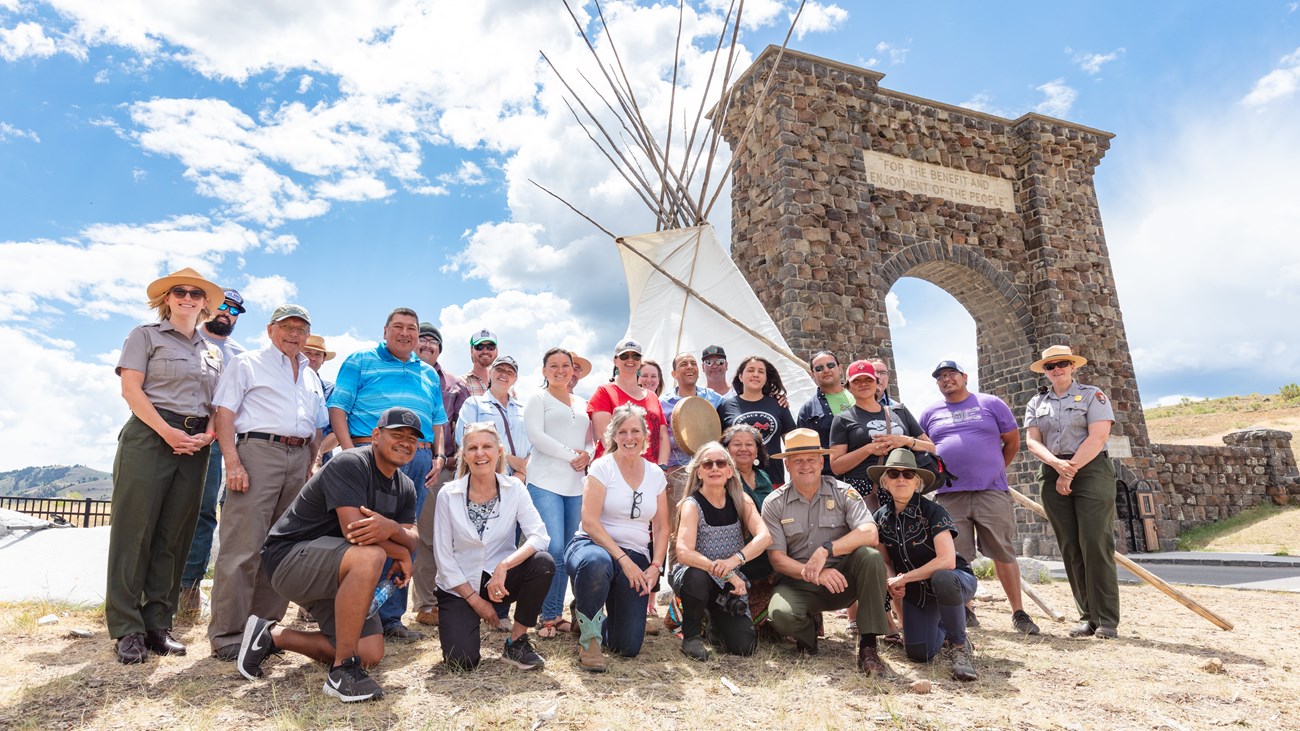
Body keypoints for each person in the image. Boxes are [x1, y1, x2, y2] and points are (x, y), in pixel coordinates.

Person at [236, 407, 421, 702]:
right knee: (370, 554)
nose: (405, 442)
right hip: (289, 560)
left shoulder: (406, 487)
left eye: (413, 438)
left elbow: (413, 538)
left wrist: (392, 532)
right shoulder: (351, 463)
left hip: (339, 572)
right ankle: (342, 672)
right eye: (397, 434)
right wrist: (400, 549)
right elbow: (354, 532)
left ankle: (271, 636)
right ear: (375, 435)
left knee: (371, 652)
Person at [107, 267, 224, 664]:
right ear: (167, 298)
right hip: (149, 435)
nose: (188, 298)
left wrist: (207, 436)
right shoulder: (145, 336)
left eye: (196, 293)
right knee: (134, 531)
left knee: (175, 535)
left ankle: (158, 623)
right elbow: (130, 389)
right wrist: (166, 432)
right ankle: (127, 628)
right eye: (180, 291)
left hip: (195, 444)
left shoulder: (213, 352)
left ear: (205, 302)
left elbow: (217, 405)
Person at [208, 304, 328, 661]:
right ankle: (228, 635)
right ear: (270, 329)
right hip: (257, 453)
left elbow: (317, 424)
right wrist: (233, 462)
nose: (295, 334)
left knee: (281, 550)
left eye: (301, 329)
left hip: (299, 458)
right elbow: (224, 412)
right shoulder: (247, 363)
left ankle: (263, 632)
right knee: (242, 546)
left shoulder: (310, 375)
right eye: (287, 326)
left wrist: (313, 460)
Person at [328, 307, 448, 641]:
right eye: (398, 327)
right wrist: (350, 451)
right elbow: (338, 408)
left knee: (403, 535)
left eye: (412, 328)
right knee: (363, 533)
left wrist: (438, 456)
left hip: (419, 460)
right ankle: (353, 613)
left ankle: (391, 619)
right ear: (385, 330)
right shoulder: (361, 360)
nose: (406, 333)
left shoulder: (427, 372)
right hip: (370, 455)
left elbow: (438, 419)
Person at [920, 360, 1040, 635]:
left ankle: (1018, 612)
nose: (946, 379)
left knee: (1003, 551)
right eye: (940, 377)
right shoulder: (930, 413)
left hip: (991, 491)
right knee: (956, 555)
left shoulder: (991, 404)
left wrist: (994, 469)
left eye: (951, 374)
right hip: (950, 495)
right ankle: (967, 608)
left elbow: (1012, 442)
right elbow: (925, 448)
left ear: (964, 377)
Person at [761, 428, 890, 675]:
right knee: (780, 615)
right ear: (787, 464)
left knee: (871, 557)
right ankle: (808, 633)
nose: (805, 465)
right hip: (799, 581)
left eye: (811, 459)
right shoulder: (774, 502)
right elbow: (777, 559)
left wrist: (826, 550)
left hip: (842, 580)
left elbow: (870, 533)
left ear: (822, 461)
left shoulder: (843, 492)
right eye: (797, 460)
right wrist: (815, 573)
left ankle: (868, 645)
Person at [433, 423, 553, 670]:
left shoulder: (515, 488)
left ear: (499, 451)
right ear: (464, 455)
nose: (480, 454)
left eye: (487, 446)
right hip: (460, 586)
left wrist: (505, 565)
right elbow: (444, 558)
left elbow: (539, 536)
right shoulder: (448, 494)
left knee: (543, 563)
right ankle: (465, 621)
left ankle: (517, 642)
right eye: (473, 448)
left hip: (498, 583)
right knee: (461, 662)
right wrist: (477, 602)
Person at [1023, 345, 1119, 639]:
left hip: (1089, 469)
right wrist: (1056, 465)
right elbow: (1032, 441)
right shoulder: (1036, 403)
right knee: (1070, 544)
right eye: (1051, 366)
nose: (1057, 369)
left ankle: (1106, 619)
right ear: (1045, 371)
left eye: (1062, 363)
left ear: (1072, 366)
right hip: (1053, 470)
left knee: (1094, 541)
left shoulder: (1093, 395)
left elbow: (1099, 436)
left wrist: (1070, 469)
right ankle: (1088, 616)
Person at [565, 404, 669, 671]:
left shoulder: (656, 474)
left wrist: (655, 566)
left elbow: (661, 527)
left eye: (635, 431)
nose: (629, 437)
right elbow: (589, 521)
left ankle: (591, 616)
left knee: (628, 647)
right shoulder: (602, 468)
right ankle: (589, 640)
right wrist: (623, 560)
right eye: (622, 432)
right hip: (592, 546)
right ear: (613, 436)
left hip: (635, 555)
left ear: (645, 435)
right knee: (598, 563)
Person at [871, 449, 979, 681]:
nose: (901, 478)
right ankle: (945, 624)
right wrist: (892, 582)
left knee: (942, 577)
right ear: (885, 481)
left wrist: (905, 578)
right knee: (920, 653)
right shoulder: (879, 518)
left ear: (917, 481)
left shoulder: (933, 512)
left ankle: (959, 647)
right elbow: (885, 561)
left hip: (955, 580)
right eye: (894, 473)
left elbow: (946, 561)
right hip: (919, 593)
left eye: (908, 474)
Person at [179, 287, 247, 619]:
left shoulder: (240, 355)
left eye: (234, 310)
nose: (226, 313)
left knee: (205, 512)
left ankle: (188, 590)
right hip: (176, 431)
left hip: (219, 441)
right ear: (208, 305)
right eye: (222, 305)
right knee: (165, 510)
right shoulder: (185, 338)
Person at [670, 442, 771, 661]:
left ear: (729, 470)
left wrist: (736, 560)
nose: (714, 468)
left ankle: (713, 622)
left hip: (729, 581)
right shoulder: (691, 504)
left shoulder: (741, 500)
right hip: (698, 575)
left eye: (720, 463)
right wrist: (724, 571)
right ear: (699, 472)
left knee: (744, 647)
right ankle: (691, 636)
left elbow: (765, 537)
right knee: (696, 576)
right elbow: (684, 552)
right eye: (707, 464)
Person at [522, 348, 595, 638]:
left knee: (568, 551)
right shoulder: (537, 399)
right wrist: (571, 455)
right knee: (551, 550)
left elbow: (591, 440)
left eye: (566, 365)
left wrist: (587, 456)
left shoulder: (583, 402)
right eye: (554, 365)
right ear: (544, 370)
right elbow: (536, 436)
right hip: (544, 483)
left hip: (575, 485)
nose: (561, 370)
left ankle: (556, 614)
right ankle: (547, 616)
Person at [411, 322, 471, 628]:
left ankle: (434, 600)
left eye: (433, 341)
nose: (427, 344)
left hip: (442, 469)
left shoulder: (455, 385)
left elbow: (463, 428)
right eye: (421, 339)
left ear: (440, 349)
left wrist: (450, 459)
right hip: (402, 464)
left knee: (436, 536)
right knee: (412, 535)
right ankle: (421, 603)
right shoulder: (401, 374)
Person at [829, 360, 935, 513]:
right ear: (849, 387)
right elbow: (836, 466)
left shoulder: (900, 412)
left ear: (876, 382)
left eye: (868, 379)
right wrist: (869, 449)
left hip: (902, 484)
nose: (863, 384)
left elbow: (931, 447)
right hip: (865, 489)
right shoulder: (843, 419)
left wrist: (905, 440)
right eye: (856, 380)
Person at [720, 424, 776, 624]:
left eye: (749, 444)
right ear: (726, 449)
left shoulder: (764, 478)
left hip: (764, 550)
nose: (743, 449)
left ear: (757, 450)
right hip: (732, 553)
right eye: (737, 444)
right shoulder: (721, 478)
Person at [587, 339, 670, 464]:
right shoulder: (604, 392)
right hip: (615, 470)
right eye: (624, 356)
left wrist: (662, 468)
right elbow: (605, 436)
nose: (630, 360)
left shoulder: (652, 396)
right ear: (615, 360)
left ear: (640, 361)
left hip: (649, 472)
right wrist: (631, 468)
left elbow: (663, 436)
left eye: (636, 356)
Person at [716, 355, 796, 485]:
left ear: (766, 378)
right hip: (735, 481)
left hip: (774, 478)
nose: (756, 374)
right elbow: (718, 445)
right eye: (750, 370)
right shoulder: (726, 406)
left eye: (761, 371)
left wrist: (794, 476)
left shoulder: (779, 404)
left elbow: (792, 443)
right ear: (741, 377)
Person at [457, 355, 530, 481]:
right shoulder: (474, 404)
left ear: (515, 379)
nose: (504, 374)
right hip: (484, 478)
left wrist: (522, 473)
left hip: (524, 481)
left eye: (509, 372)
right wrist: (505, 457)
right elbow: (463, 438)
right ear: (490, 372)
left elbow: (536, 444)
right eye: (500, 369)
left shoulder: (525, 409)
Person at [795, 350, 853, 476]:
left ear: (840, 368)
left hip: (866, 475)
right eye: (819, 368)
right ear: (812, 374)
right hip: (830, 480)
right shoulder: (808, 410)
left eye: (830, 365)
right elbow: (805, 451)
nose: (826, 370)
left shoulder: (861, 397)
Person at [463, 328, 499, 397]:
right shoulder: (459, 384)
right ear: (471, 350)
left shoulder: (507, 386)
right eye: (480, 347)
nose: (485, 351)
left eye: (490, 347)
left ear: (497, 351)